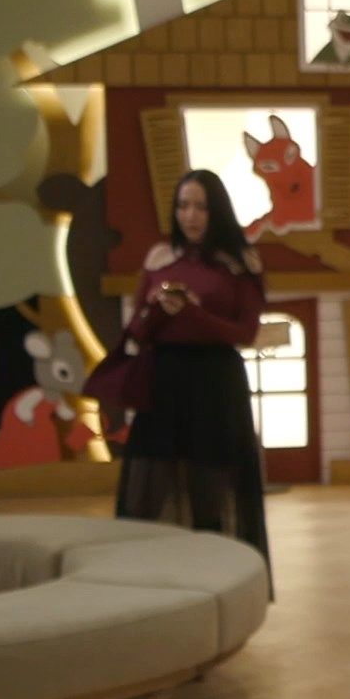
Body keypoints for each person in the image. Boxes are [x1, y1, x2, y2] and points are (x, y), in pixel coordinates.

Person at [115, 169, 270, 563]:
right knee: (143, 492)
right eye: (183, 206)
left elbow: (246, 332)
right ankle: (136, 577)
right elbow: (136, 331)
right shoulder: (160, 258)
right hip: (163, 381)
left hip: (214, 383)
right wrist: (157, 310)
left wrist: (194, 314)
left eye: (201, 207)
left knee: (209, 495)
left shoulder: (240, 263)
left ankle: (215, 576)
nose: (191, 216)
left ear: (217, 211)